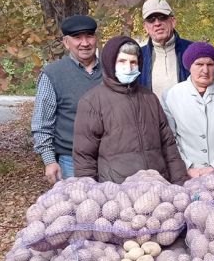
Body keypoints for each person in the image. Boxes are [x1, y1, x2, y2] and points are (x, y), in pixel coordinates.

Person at [72, 36, 189, 185]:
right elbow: (84, 156)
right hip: (117, 191)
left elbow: (168, 146)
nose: (128, 67)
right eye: (122, 61)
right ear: (110, 63)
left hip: (158, 186)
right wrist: (89, 192)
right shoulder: (92, 101)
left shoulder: (149, 98)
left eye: (133, 62)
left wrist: (180, 183)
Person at [31, 14, 103, 183]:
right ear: (66, 42)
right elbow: (41, 124)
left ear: (96, 39)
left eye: (89, 36)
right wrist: (49, 161)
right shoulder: (53, 74)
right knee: (79, 208)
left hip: (110, 159)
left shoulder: (112, 71)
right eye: (77, 37)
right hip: (71, 161)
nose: (85, 43)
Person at [161, 42, 214, 177]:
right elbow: (170, 139)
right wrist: (186, 167)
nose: (205, 70)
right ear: (189, 66)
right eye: (199, 64)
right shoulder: (171, 95)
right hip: (185, 172)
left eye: (210, 64)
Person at [138, 0, 194, 99]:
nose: (157, 23)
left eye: (162, 17)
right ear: (145, 27)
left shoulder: (193, 51)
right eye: (151, 19)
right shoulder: (138, 56)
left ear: (173, 21)